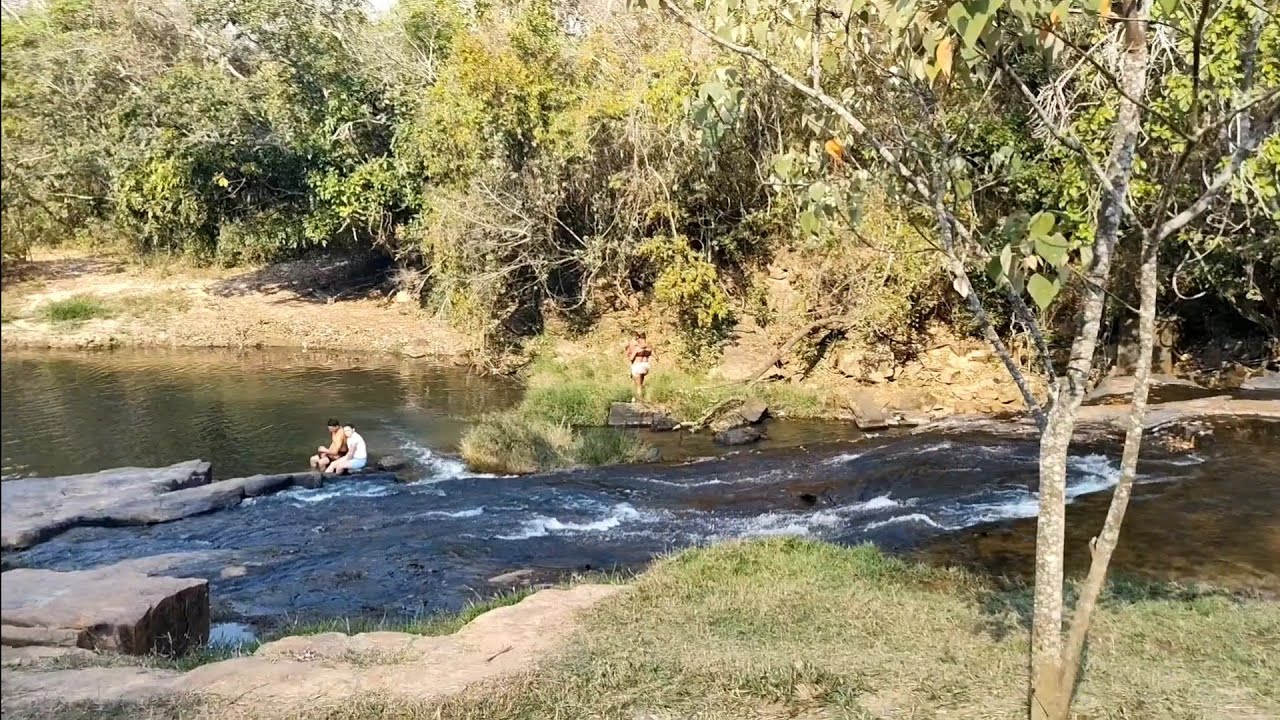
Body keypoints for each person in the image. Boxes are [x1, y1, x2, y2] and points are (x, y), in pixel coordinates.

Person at [624, 330, 655, 402]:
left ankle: (639, 399)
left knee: (637, 384)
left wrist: (628, 354)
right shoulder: (649, 347)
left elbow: (631, 358)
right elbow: (656, 357)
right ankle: (639, 397)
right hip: (646, 365)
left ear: (639, 338)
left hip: (638, 365)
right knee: (641, 382)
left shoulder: (638, 348)